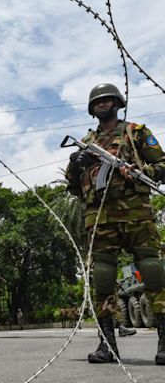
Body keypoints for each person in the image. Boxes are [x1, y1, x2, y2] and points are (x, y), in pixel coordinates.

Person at [65, 83, 165, 364]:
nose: (102, 104)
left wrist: (139, 171)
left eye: (107, 100)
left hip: (136, 213)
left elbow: (163, 167)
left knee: (152, 271)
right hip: (100, 218)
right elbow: (73, 187)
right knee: (103, 279)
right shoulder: (87, 142)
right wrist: (77, 162)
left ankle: (164, 342)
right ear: (91, 109)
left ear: (117, 103)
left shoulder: (136, 133)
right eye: (97, 101)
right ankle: (107, 345)